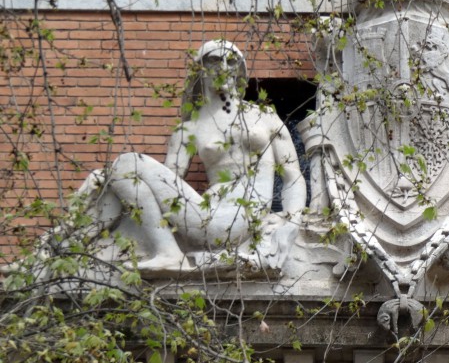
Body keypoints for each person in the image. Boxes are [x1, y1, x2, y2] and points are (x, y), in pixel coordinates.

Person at [79, 40, 306, 272]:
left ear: (239, 70)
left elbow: (292, 176)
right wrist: (109, 181)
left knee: (126, 165)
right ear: (201, 70)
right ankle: (167, 250)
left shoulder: (264, 117)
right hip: (207, 217)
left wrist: (293, 218)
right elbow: (167, 183)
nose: (224, 67)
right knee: (125, 167)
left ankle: (167, 252)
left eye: (231, 61)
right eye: (215, 60)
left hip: (247, 214)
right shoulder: (188, 130)